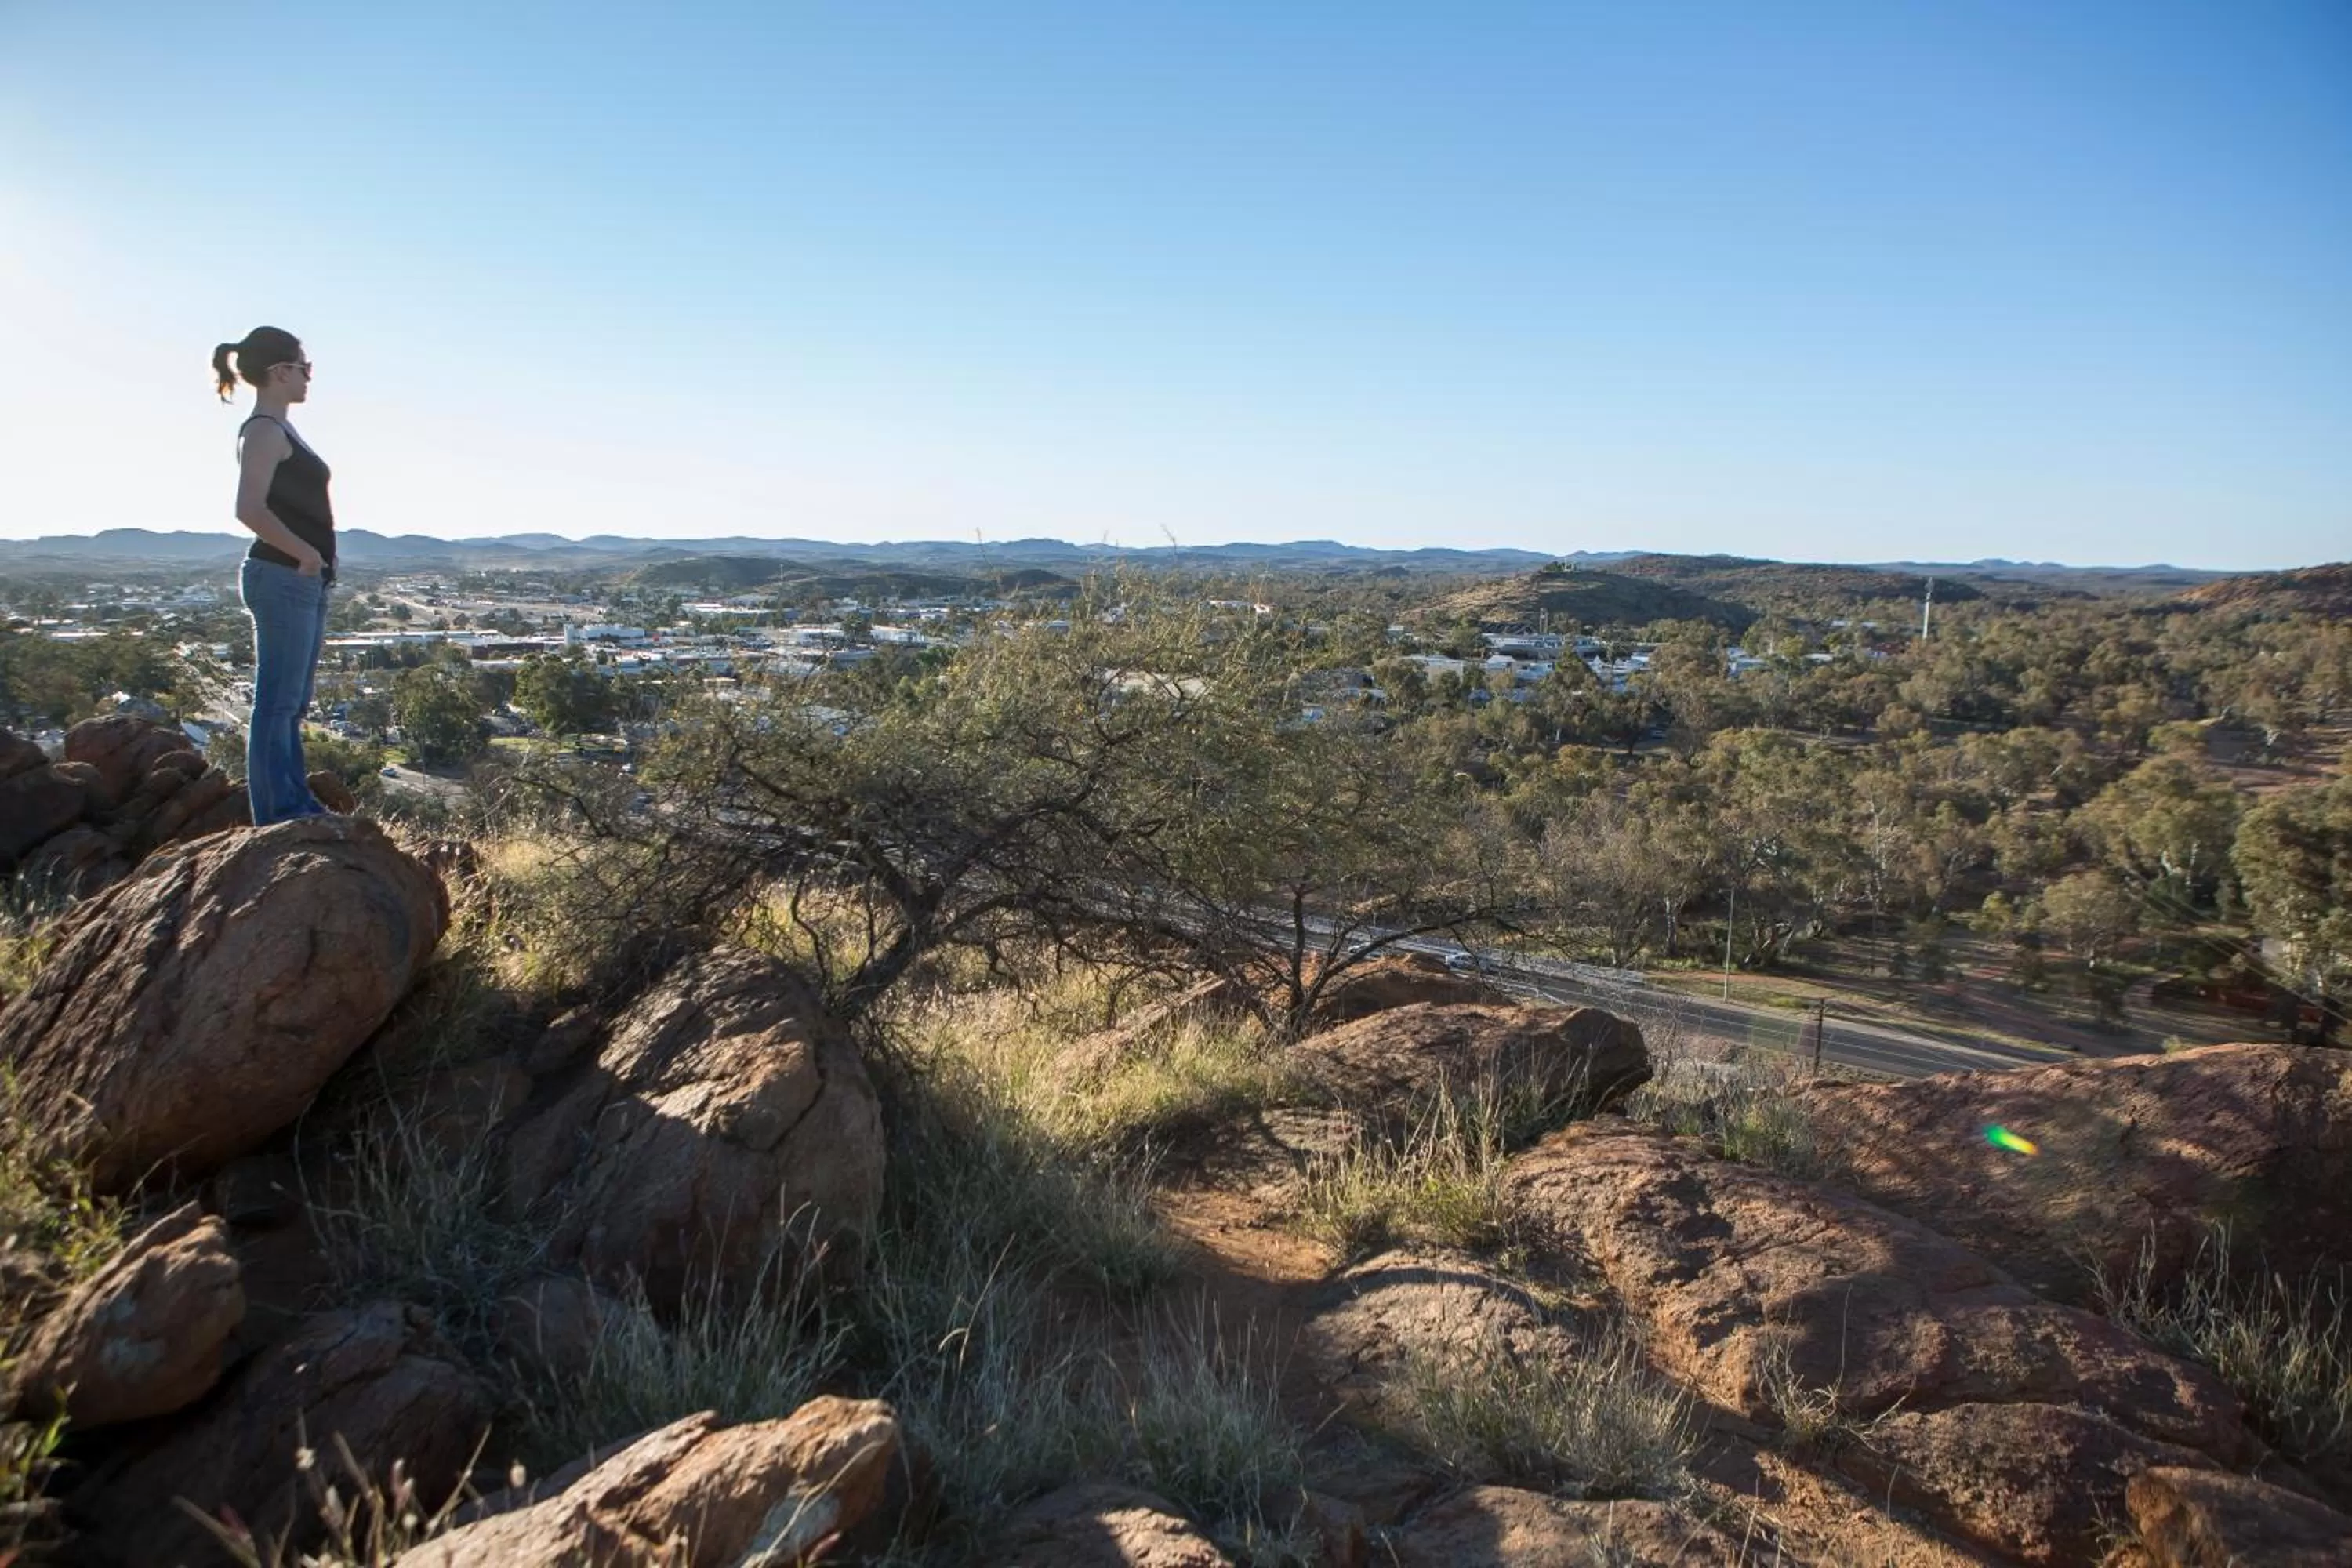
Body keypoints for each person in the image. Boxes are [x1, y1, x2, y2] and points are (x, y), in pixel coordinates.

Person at [212, 326, 338, 823]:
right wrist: (306, 555)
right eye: (305, 367)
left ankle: (297, 803)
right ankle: (277, 813)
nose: (309, 377)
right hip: (283, 576)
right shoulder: (264, 430)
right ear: (280, 372)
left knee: (293, 703)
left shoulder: (279, 429)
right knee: (276, 703)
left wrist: (314, 565)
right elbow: (248, 508)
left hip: (301, 579)